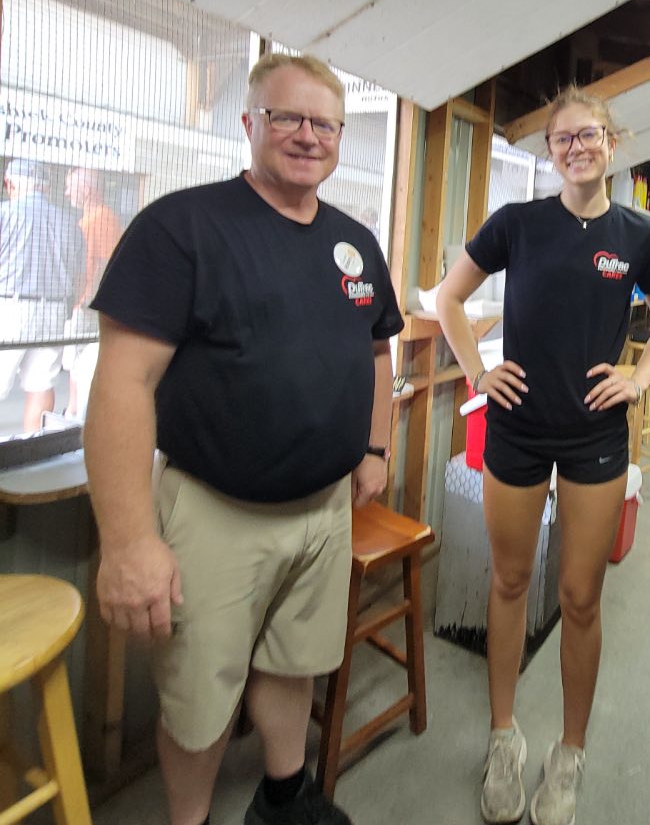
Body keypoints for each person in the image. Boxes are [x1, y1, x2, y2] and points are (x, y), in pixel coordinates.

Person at [83, 53, 403, 825]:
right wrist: (127, 541)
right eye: (287, 117)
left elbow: (376, 349)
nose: (307, 135)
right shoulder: (182, 227)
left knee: (295, 662)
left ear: (340, 136)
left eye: (324, 123)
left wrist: (373, 449)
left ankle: (284, 796)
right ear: (249, 123)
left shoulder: (354, 242)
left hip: (324, 509)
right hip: (215, 512)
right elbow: (122, 384)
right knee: (200, 701)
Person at [437, 86, 650, 825]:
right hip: (516, 427)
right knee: (510, 579)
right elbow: (449, 299)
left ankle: (569, 752)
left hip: (594, 436)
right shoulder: (516, 224)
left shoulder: (641, 235)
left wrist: (639, 378)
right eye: (563, 138)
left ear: (612, 142)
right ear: (549, 151)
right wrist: (477, 374)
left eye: (589, 135)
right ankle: (503, 738)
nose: (577, 148)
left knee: (579, 596)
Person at [0, 158, 85, 431]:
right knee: (41, 385)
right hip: (54, 312)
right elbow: (79, 275)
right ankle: (33, 445)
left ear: (9, 184)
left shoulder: (5, 213)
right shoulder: (69, 222)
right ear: (46, 188)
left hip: (9, 306)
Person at [61, 167, 124, 418]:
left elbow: (106, 264)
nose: (66, 193)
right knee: (74, 364)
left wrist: (90, 301)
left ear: (86, 190)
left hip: (89, 306)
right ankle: (73, 412)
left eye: (70, 187)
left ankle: (76, 415)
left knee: (80, 363)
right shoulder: (90, 219)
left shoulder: (102, 219)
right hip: (83, 303)